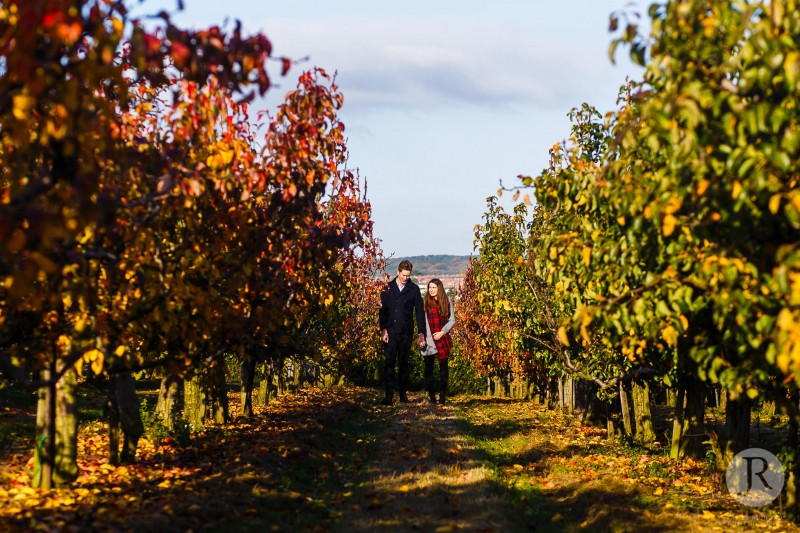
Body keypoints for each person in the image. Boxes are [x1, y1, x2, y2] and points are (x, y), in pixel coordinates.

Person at [379, 259, 425, 405]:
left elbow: (419, 312)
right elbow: (383, 311)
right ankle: (388, 396)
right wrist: (383, 329)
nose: (406, 278)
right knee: (389, 364)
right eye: (404, 275)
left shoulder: (414, 289)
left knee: (404, 364)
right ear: (398, 272)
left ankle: (403, 396)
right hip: (391, 331)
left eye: (408, 276)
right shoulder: (387, 288)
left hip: (406, 332)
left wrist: (421, 332)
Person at [422, 278, 455, 405]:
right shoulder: (425, 301)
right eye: (429, 287)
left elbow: (452, 320)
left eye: (434, 287)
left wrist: (442, 332)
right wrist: (424, 337)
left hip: (443, 337)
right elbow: (423, 321)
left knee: (443, 369)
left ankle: (442, 396)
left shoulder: (447, 301)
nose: (431, 290)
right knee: (428, 369)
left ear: (439, 288)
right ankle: (431, 396)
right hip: (429, 339)